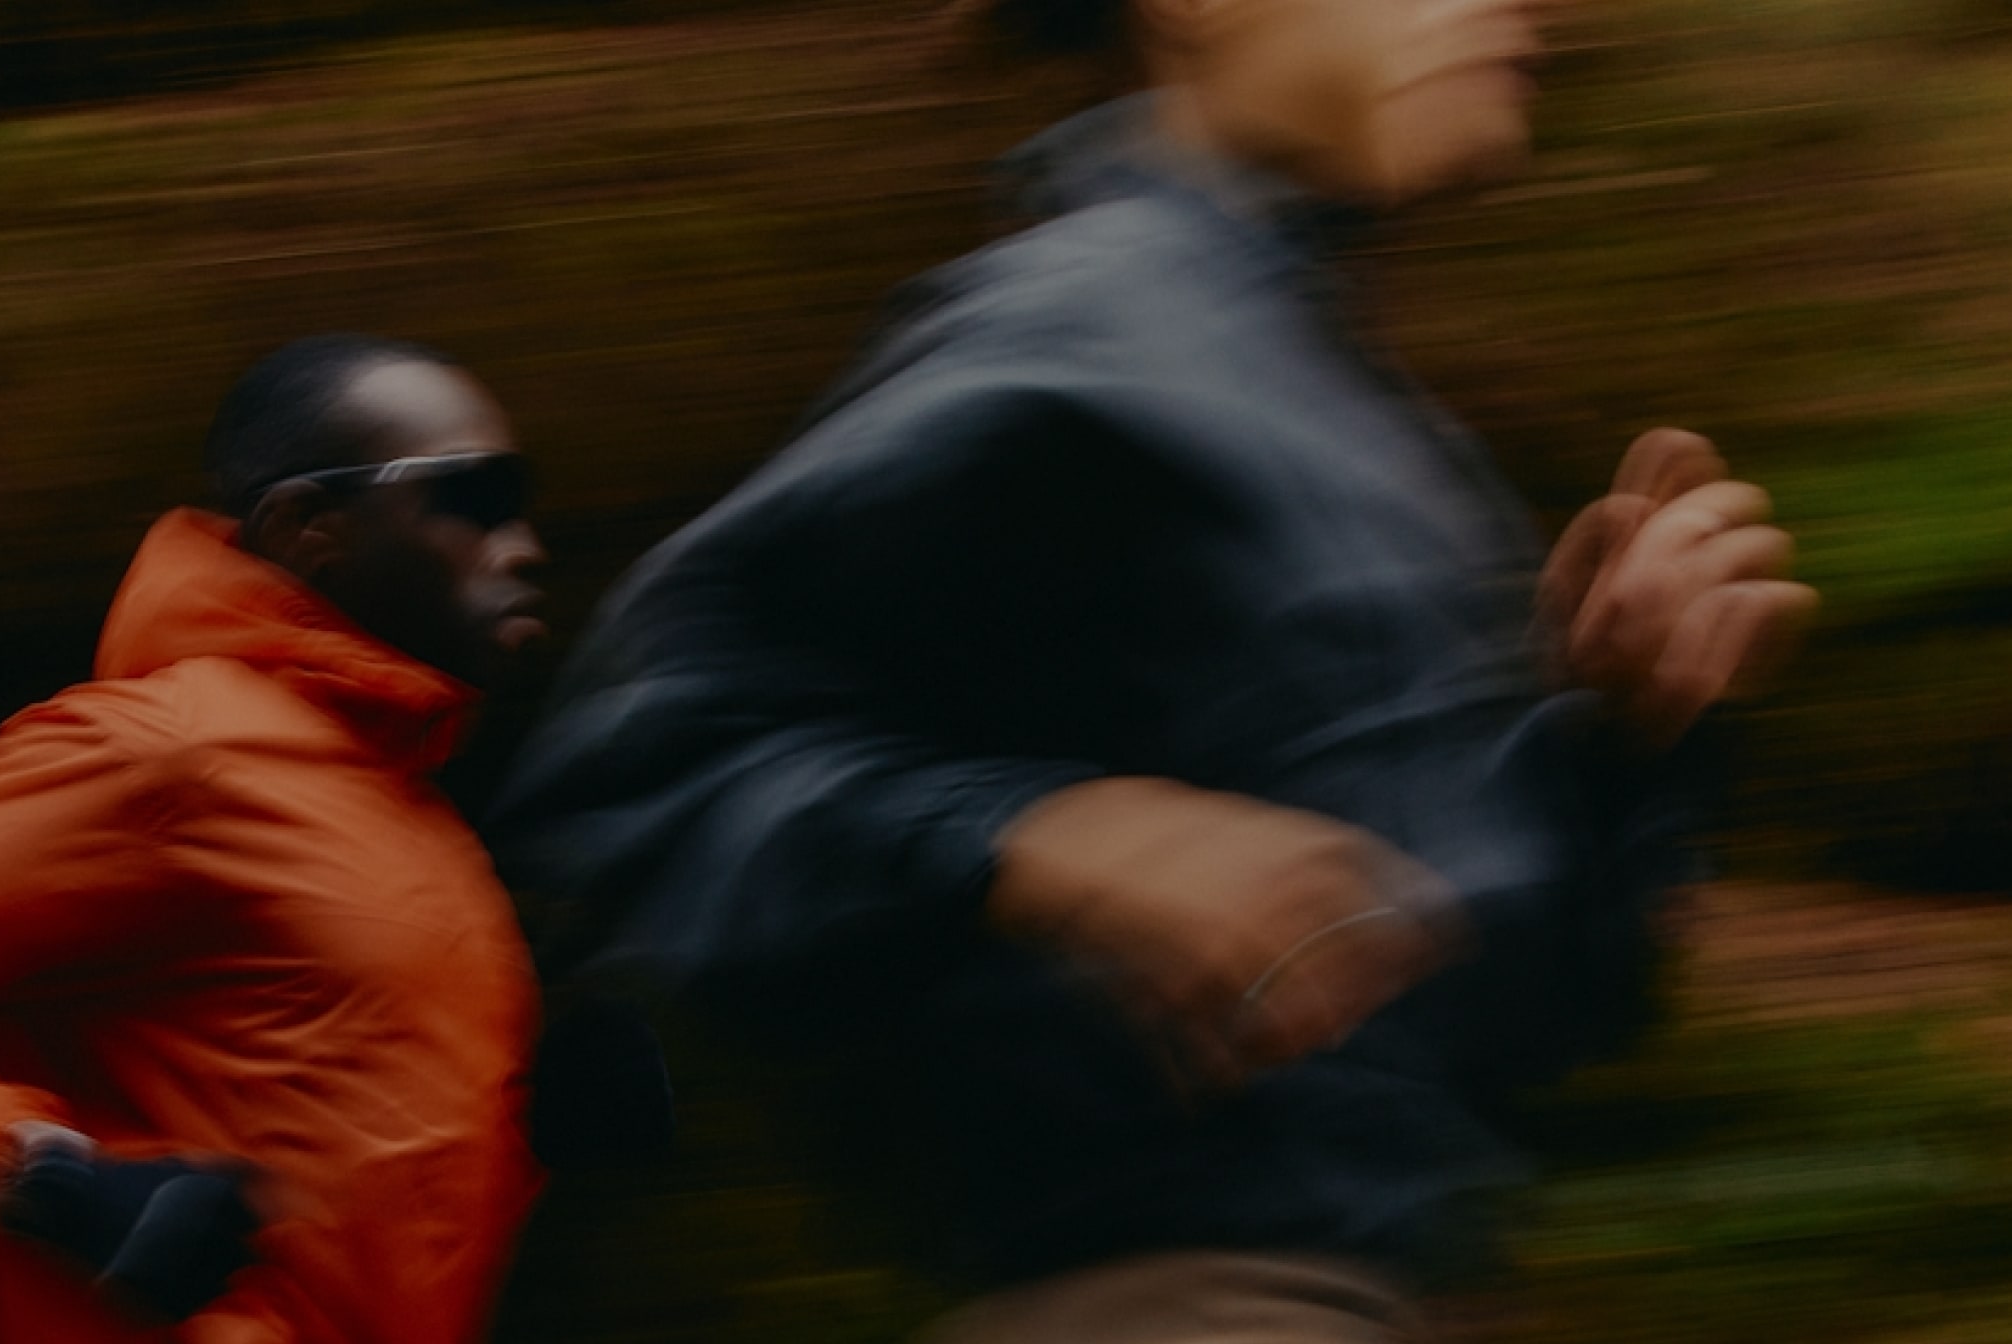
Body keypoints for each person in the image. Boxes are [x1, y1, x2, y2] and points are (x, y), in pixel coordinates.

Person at [489, 0, 1817, 1336]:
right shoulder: (1073, 334)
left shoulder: (1343, 406)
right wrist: (1041, 840)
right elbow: (637, 762)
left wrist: (1623, 737)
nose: (1517, 9)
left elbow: (1488, 1020)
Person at [0, 334, 552, 1343]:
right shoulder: (166, 752)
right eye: (474, 499)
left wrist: (534, 1122)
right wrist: (39, 1175)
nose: (527, 544)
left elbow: (340, 1134)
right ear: (309, 527)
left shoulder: (406, 806)